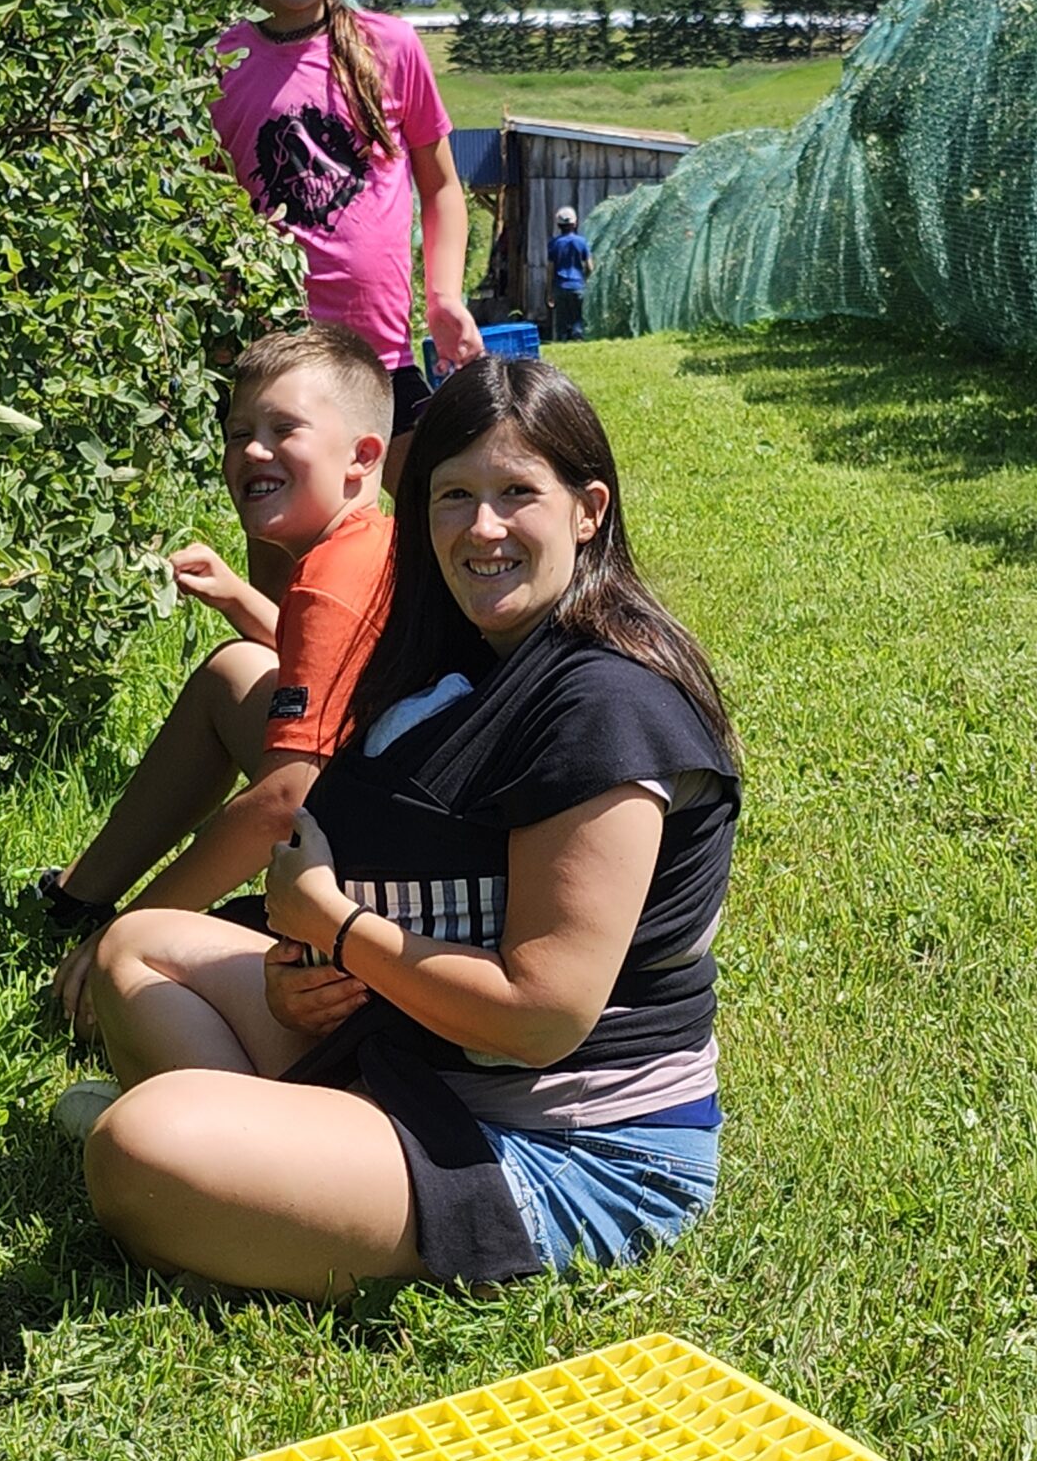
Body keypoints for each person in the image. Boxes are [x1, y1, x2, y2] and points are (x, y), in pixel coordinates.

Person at [76, 355, 740, 1299]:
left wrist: (337, 932)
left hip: (564, 1142)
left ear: (589, 509)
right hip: (418, 1061)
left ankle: (237, 1178)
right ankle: (264, 1171)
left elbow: (544, 1014)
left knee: (137, 1148)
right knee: (135, 950)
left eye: (518, 493)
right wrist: (305, 973)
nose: (483, 528)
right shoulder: (456, 668)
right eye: (453, 496)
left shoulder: (604, 707)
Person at [40, 325, 395, 1035]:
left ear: (361, 458)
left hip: (377, 879)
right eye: (238, 433)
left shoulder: (332, 582)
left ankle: (105, 932)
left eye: (281, 428)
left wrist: (144, 923)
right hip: (387, 803)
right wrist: (239, 597)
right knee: (234, 672)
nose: (252, 451)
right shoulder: (370, 544)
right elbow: (325, 668)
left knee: (132, 973)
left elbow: (283, 800)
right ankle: (80, 897)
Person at [215, 0, 484, 490]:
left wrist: (444, 297)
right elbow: (203, 213)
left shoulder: (391, 48)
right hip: (276, 357)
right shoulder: (215, 64)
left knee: (432, 515)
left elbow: (442, 186)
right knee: (288, 550)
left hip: (382, 360)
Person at [547, 206, 592, 342]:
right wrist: (586, 280)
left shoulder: (554, 243)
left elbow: (550, 269)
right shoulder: (582, 242)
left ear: (559, 225)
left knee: (562, 321)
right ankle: (577, 339)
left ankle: (563, 341)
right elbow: (590, 266)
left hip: (560, 286)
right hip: (578, 285)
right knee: (577, 318)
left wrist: (549, 291)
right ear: (575, 223)